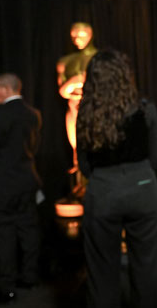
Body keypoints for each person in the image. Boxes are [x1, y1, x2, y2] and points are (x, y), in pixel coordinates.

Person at [76, 50, 157, 308]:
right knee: (146, 268)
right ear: (126, 76)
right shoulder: (146, 109)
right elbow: (155, 157)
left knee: (101, 273)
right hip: (143, 190)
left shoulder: (85, 114)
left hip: (103, 193)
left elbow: (84, 165)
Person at [0, 73, 42, 304]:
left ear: (6, 90)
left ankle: (7, 287)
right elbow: (33, 149)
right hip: (27, 182)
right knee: (28, 231)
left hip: (0, 187)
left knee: (2, 236)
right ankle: (30, 278)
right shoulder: (34, 115)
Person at [56, 21, 97, 191]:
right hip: (73, 107)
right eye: (73, 37)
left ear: (90, 35)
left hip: (94, 107)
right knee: (76, 146)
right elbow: (62, 90)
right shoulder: (65, 61)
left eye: (81, 35)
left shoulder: (98, 58)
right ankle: (80, 184)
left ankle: (92, 183)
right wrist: (74, 81)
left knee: (94, 142)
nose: (77, 40)